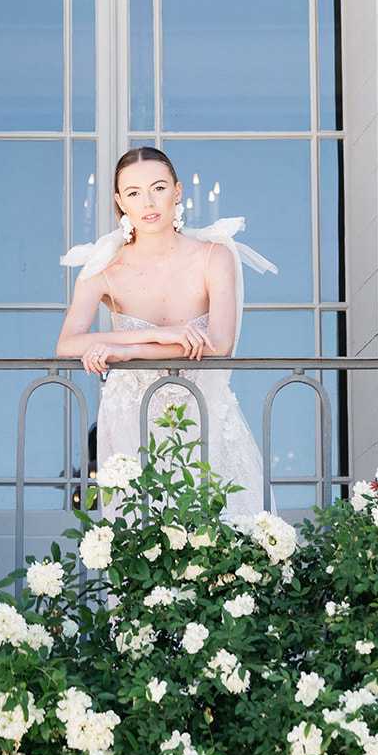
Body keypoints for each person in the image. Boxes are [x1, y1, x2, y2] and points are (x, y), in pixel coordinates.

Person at [55, 146, 278, 519]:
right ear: (119, 202)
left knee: (227, 527)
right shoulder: (104, 269)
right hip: (131, 418)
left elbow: (220, 344)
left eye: (158, 188)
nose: (148, 202)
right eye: (133, 193)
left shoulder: (214, 256)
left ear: (177, 191)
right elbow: (67, 344)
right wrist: (161, 336)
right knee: (142, 530)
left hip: (204, 412)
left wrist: (127, 352)